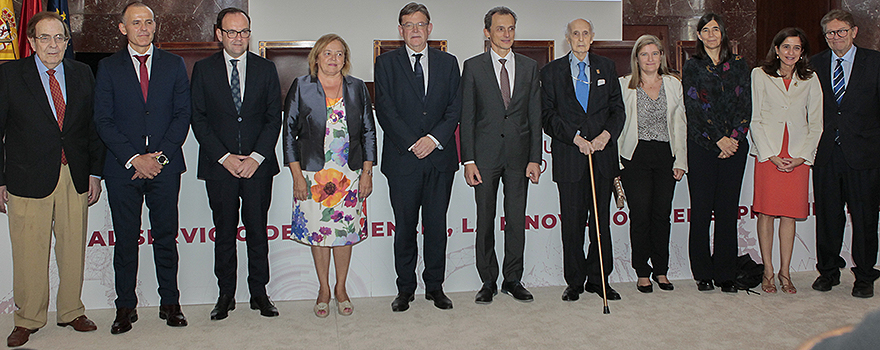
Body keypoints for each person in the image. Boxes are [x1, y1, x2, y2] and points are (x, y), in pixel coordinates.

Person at [0, 11, 104, 347]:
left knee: (73, 249)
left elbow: (92, 128)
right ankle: (27, 318)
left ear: (67, 40)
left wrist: (93, 172)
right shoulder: (10, 75)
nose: (53, 44)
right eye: (44, 37)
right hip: (26, 178)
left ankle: (71, 310)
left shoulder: (83, 73)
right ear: (31, 42)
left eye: (59, 37)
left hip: (73, 175)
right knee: (29, 251)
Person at [93, 1, 191, 334]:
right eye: (136, 23)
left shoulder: (174, 64)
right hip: (124, 170)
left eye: (148, 22)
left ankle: (170, 303)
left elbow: (182, 116)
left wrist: (158, 158)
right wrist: (135, 159)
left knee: (166, 238)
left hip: (165, 168)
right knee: (125, 240)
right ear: (123, 28)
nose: (144, 28)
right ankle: (125, 307)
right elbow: (103, 120)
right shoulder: (107, 67)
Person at [190, 7, 281, 320]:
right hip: (220, 168)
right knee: (224, 232)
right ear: (219, 34)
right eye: (231, 32)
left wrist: (256, 157)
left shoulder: (266, 69)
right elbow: (198, 119)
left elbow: (274, 118)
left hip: (258, 168)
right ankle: (225, 294)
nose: (238, 38)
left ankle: (259, 293)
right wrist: (225, 157)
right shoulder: (203, 70)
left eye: (244, 31)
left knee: (257, 232)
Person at [374, 2, 461, 312]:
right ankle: (405, 288)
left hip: (439, 159)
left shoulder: (448, 62)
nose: (414, 30)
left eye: (420, 24)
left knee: (436, 226)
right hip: (403, 160)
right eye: (408, 25)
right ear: (400, 30)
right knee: (406, 226)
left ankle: (435, 287)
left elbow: (455, 107)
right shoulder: (385, 63)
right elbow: (385, 109)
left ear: (430, 28)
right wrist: (414, 142)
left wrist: (434, 139)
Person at [284, 33, 376, 317]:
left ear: (345, 59)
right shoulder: (301, 86)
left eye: (339, 54)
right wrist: (297, 177)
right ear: (317, 57)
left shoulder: (357, 87)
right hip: (314, 176)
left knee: (344, 234)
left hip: (348, 175)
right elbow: (288, 133)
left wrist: (367, 172)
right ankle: (323, 289)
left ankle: (341, 288)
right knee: (319, 233)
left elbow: (368, 131)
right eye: (327, 53)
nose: (333, 59)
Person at [460, 6, 541, 304]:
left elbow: (535, 115)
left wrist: (536, 157)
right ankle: (488, 281)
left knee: (516, 220)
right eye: (500, 29)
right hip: (484, 158)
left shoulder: (530, 67)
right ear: (487, 32)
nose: (506, 34)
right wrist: (468, 160)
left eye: (510, 29)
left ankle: (513, 279)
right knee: (486, 219)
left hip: (520, 158)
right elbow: (466, 117)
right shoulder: (473, 67)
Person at [542, 18, 624, 302]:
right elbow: (547, 116)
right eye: (574, 34)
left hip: (602, 157)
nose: (580, 38)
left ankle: (600, 279)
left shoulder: (607, 67)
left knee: (601, 223)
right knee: (573, 224)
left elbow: (618, 110)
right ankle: (574, 281)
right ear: (567, 38)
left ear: (592, 37)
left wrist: (604, 137)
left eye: (585, 33)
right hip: (570, 157)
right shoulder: (551, 71)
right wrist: (575, 138)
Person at [810, 9, 880, 298]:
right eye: (830, 33)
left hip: (864, 154)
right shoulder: (813, 64)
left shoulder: (875, 62)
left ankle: (864, 275)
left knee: (864, 218)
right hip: (826, 154)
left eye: (841, 31)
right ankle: (828, 271)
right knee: (827, 217)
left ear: (854, 32)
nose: (835, 37)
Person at [749, 27, 823, 295]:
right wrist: (770, 154)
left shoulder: (811, 79)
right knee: (767, 212)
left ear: (802, 52)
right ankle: (768, 271)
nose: (791, 53)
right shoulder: (760, 74)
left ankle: (785, 272)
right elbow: (755, 118)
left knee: (789, 215)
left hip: (798, 155)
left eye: (797, 48)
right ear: (777, 49)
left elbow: (816, 124)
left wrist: (802, 157)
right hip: (769, 153)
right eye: (786, 47)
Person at [682, 13, 751, 293]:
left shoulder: (739, 64)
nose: (711, 34)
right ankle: (702, 273)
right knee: (701, 211)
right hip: (702, 147)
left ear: (723, 33)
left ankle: (725, 272)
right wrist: (719, 140)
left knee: (726, 211)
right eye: (705, 30)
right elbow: (695, 109)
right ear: (698, 35)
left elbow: (744, 105)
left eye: (715, 29)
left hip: (734, 147)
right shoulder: (692, 67)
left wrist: (732, 139)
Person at [617, 34, 687, 293]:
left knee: (661, 215)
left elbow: (680, 125)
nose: (650, 59)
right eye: (644, 54)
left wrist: (680, 160)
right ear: (637, 58)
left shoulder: (673, 84)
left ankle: (661, 270)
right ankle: (642, 272)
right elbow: (617, 127)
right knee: (641, 215)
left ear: (661, 57)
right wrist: (617, 162)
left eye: (654, 53)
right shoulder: (625, 85)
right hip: (635, 157)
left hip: (665, 156)